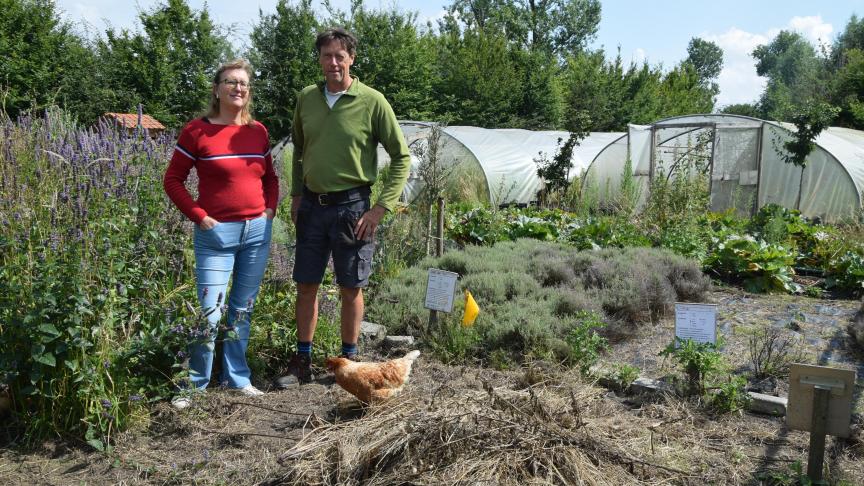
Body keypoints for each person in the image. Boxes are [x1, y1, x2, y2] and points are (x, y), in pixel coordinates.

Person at [276, 28, 410, 387]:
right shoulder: (307, 98)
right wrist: (297, 195)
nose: (333, 62)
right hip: (312, 207)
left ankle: (348, 364)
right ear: (319, 59)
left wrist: (380, 208)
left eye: (340, 55)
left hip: (353, 209)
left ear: (352, 58)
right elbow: (300, 150)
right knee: (306, 284)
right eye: (326, 56)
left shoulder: (372, 101)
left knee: (351, 286)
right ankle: (302, 361)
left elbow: (401, 157)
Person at [164, 59, 278, 408]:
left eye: (243, 83)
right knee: (209, 314)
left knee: (242, 310)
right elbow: (173, 180)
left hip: (256, 233)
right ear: (216, 90)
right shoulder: (196, 132)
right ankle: (194, 386)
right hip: (215, 237)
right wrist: (199, 217)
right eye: (231, 82)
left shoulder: (258, 131)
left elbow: (270, 178)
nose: (238, 88)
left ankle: (236, 379)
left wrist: (269, 212)